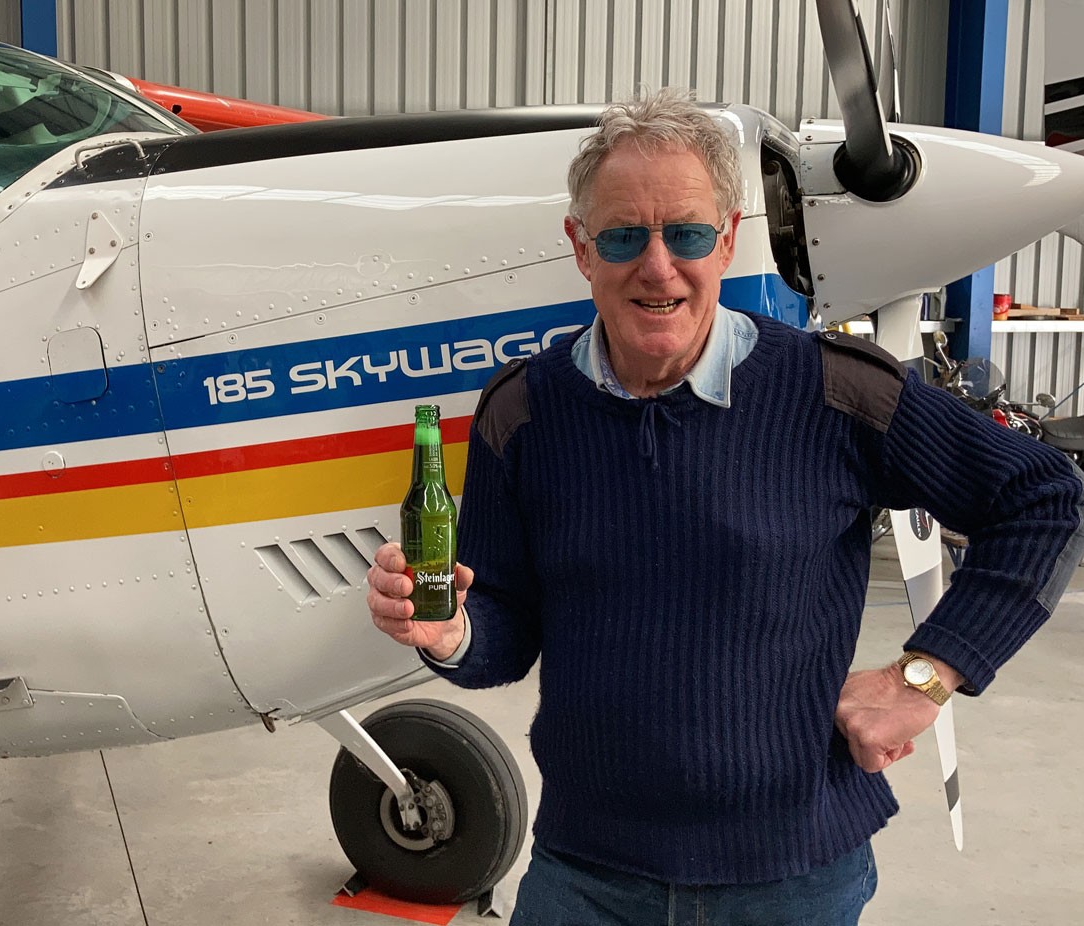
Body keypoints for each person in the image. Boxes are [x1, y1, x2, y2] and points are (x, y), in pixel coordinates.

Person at [366, 88, 1084, 925]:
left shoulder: (832, 394)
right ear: (581, 247)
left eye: (688, 234)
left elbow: (1041, 498)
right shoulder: (523, 413)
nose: (657, 265)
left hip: (791, 877)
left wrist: (925, 675)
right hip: (585, 874)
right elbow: (503, 627)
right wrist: (449, 628)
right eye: (624, 235)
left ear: (728, 239)